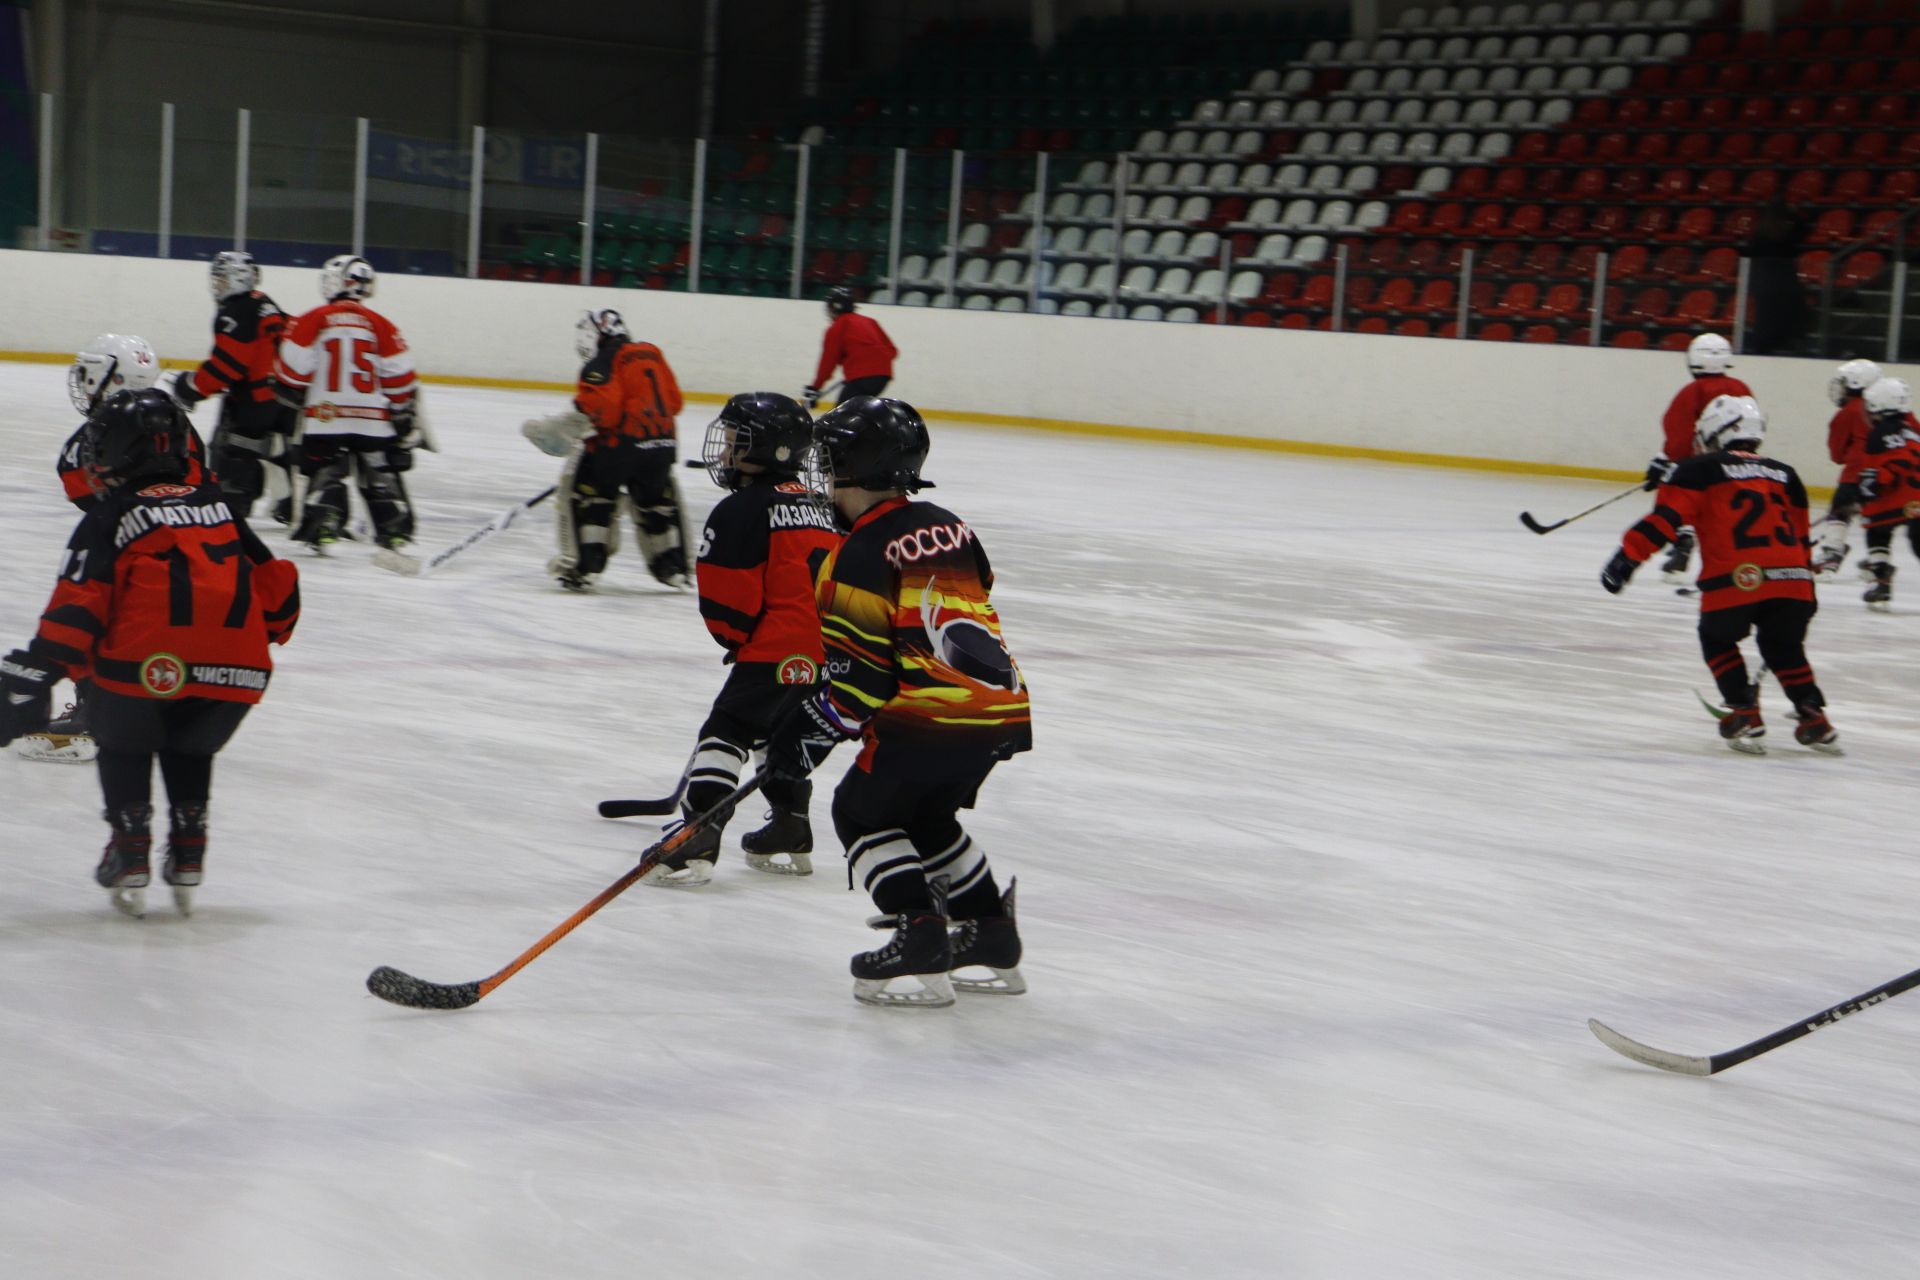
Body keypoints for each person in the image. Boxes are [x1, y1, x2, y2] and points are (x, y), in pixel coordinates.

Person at [766, 397, 1032, 1007]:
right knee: (926, 818)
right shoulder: (949, 521)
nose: (821, 476)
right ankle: (989, 931)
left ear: (860, 467)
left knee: (860, 812)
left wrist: (797, 744)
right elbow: (976, 591)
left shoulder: (854, 556)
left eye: (829, 461)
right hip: (997, 708)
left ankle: (919, 933)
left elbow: (861, 684)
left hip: (931, 715)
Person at [0, 388, 301, 916]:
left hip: (143, 671)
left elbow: (78, 609)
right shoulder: (222, 509)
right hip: (239, 679)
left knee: (122, 738)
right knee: (189, 749)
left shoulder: (112, 515)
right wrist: (255, 638)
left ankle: (131, 846)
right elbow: (279, 593)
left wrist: (37, 670)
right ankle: (190, 848)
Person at [640, 392, 842, 887]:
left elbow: (728, 605)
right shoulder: (823, 507)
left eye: (735, 443)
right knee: (780, 736)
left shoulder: (742, 509)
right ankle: (790, 827)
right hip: (830, 654)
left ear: (769, 451)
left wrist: (741, 643)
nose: (725, 453)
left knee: (727, 729)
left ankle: (697, 836)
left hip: (774, 648)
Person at [1602, 394, 1837, 755]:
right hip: (1794, 581)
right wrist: (1804, 587)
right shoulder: (1786, 473)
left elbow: (1666, 520)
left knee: (1716, 638)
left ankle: (1744, 710)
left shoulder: (1699, 469)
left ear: (1717, 431)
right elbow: (1801, 536)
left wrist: (1627, 557)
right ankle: (1813, 716)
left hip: (1736, 578)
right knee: (1784, 647)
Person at [23, 335, 199, 766]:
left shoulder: (104, 434)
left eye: (91, 372)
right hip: (196, 552)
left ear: (115, 376)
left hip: (139, 552)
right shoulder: (175, 425)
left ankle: (96, 708)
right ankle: (162, 701)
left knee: (94, 605)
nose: (84, 382)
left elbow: (81, 483)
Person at [522, 309, 690, 590]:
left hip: (620, 449)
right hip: (663, 445)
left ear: (594, 334)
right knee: (657, 501)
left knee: (589, 493)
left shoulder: (603, 361)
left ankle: (585, 564)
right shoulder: (652, 353)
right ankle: (672, 565)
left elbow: (604, 408)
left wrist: (567, 426)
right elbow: (675, 403)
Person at [273, 254, 422, 553]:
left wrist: (296, 392)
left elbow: (291, 369)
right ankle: (392, 524)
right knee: (378, 469)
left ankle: (326, 518)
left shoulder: (313, 318)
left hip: (325, 416)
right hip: (372, 419)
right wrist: (399, 410)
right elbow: (401, 377)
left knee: (325, 468)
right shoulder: (381, 323)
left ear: (334, 281)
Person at [169, 251, 296, 523]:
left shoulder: (237, 311)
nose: (217, 286)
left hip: (255, 399)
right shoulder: (264, 303)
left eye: (222, 280)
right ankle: (287, 504)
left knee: (233, 450)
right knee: (274, 449)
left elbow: (227, 366)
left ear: (239, 279)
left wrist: (190, 387)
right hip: (283, 397)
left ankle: (232, 508)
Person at [1643, 333, 1752, 584]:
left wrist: (1664, 461)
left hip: (1700, 462)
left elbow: (1679, 434)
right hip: (1737, 463)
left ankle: (1682, 541)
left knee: (1677, 497)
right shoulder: (1741, 388)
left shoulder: (1693, 391)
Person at [1811, 357, 1882, 580]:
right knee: (1880, 519)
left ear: (1855, 384)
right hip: (1888, 474)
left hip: (1855, 475)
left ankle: (1832, 555)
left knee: (1839, 512)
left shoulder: (1848, 412)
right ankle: (1877, 563)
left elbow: (1837, 455)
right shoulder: (1886, 409)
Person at [1852, 377, 1920, 611]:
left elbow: (1881, 472)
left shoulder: (1878, 435)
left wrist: (1865, 490)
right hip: (1917, 497)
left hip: (1897, 498)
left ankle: (1881, 577)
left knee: (1875, 528)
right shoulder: (1912, 430)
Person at [804, 287, 897, 411]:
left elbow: (828, 362)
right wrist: (860, 365)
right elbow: (892, 351)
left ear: (833, 308)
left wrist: (815, 387)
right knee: (858, 412)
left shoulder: (837, 327)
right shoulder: (870, 321)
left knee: (840, 416)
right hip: (883, 377)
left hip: (861, 379)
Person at [1744, 200, 1811, 357]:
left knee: (1765, 317)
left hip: (1764, 281)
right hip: (1784, 279)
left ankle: (1763, 346)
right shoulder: (1786, 232)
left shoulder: (1759, 232)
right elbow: (1803, 231)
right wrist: (1794, 214)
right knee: (1787, 314)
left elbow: (1750, 252)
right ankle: (1786, 343)